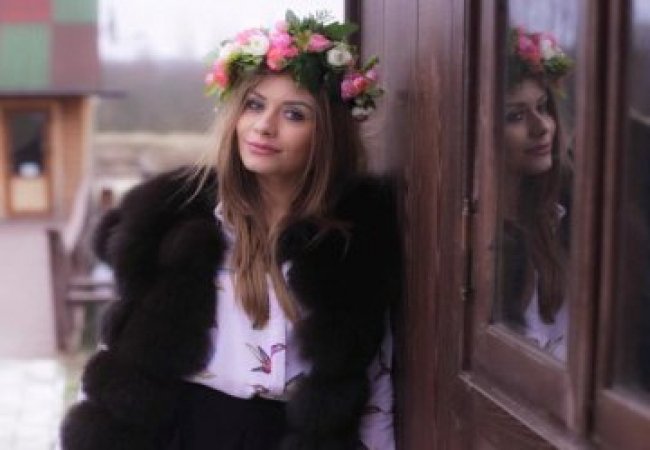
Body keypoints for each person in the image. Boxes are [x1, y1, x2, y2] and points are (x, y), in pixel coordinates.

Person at [59, 10, 400, 450]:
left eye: (294, 114)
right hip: (186, 432)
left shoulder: (352, 245)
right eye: (254, 105)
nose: (264, 126)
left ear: (328, 135)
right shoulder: (175, 225)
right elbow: (122, 363)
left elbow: (373, 382)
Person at [497, 27, 573, 360]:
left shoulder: (564, 211)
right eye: (515, 116)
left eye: (543, 107)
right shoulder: (472, 229)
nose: (541, 127)